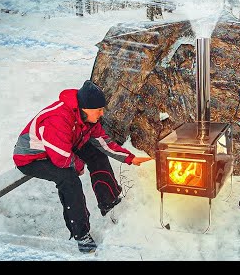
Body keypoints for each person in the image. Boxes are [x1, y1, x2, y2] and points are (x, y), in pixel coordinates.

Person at [13, 80, 152, 253]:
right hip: (33, 158)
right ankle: (82, 235)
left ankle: (110, 203)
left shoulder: (87, 119)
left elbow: (103, 142)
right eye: (99, 110)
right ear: (86, 108)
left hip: (64, 146)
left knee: (96, 154)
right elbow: (61, 158)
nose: (102, 114)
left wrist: (130, 158)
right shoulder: (58, 119)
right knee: (68, 179)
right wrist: (78, 165)